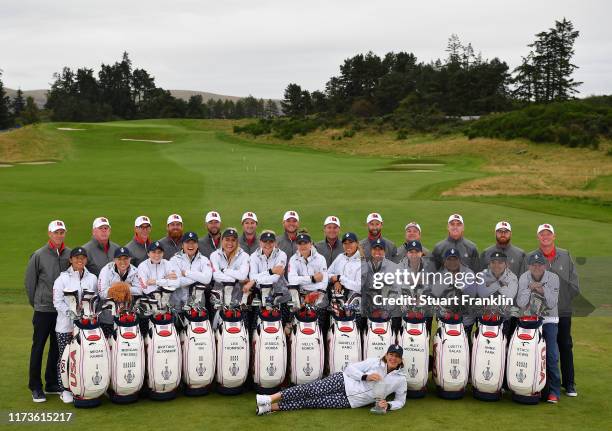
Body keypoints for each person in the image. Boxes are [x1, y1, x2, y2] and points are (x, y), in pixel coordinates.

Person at [255, 344, 407, 414]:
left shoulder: (400, 379)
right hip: (343, 381)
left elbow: (400, 401)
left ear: (401, 360)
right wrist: (365, 376)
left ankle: (269, 408)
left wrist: (388, 404)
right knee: (309, 390)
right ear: (386, 355)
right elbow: (349, 368)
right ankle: (269, 398)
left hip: (351, 402)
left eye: (397, 357)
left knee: (311, 402)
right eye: (391, 355)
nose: (393, 358)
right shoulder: (374, 362)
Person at [525, 223, 580, 397]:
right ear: (538, 237)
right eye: (542, 234)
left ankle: (569, 384)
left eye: (548, 234)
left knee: (564, 345)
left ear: (554, 236)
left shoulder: (565, 255)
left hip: (562, 311)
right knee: (540, 348)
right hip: (539, 313)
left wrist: (558, 302)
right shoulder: (531, 257)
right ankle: (540, 383)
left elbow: (574, 285)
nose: (545, 236)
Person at [25, 220, 71, 402]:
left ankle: (51, 382)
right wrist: (36, 303)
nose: (59, 235)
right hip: (43, 309)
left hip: (62, 310)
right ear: (49, 234)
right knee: (38, 347)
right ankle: (35, 386)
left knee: (56, 347)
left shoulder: (69, 254)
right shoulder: (38, 255)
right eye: (56, 232)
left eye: (62, 232)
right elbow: (30, 283)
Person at [52, 247, 97, 404]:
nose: (80, 260)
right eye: (76, 257)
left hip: (85, 326)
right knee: (65, 358)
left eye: (83, 258)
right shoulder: (62, 279)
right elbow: (57, 302)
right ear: (70, 260)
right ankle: (65, 389)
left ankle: (81, 385)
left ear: (86, 260)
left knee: (83, 357)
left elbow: (95, 299)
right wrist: (72, 313)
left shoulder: (92, 278)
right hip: (65, 326)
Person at [516, 252, 561, 403]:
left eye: (540, 264)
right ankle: (526, 384)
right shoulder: (524, 277)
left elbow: (552, 303)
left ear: (545, 265)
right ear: (529, 266)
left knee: (551, 355)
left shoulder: (553, 278)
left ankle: (554, 391)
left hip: (549, 319)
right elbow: (521, 303)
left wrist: (541, 289)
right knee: (526, 353)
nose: (536, 267)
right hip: (529, 319)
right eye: (533, 265)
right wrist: (530, 288)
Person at [243, 231, 289, 329]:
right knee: (256, 325)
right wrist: (272, 271)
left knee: (281, 326)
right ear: (260, 243)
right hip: (260, 294)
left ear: (275, 243)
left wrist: (255, 280)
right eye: (265, 241)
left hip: (281, 295)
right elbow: (252, 277)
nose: (268, 244)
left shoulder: (282, 255)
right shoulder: (254, 256)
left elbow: (275, 278)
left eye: (271, 242)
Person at [287, 232, 329, 332]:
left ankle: (320, 336)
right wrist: (312, 279)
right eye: (300, 244)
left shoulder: (320, 259)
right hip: (300, 292)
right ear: (297, 245)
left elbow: (324, 282)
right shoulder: (293, 259)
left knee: (317, 316)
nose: (303, 246)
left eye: (305, 243)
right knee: (295, 312)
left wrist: (312, 294)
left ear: (311, 244)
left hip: (318, 292)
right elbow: (292, 280)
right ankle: (293, 332)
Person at [430, 248, 479, 332]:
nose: (452, 262)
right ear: (445, 262)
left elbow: (471, 296)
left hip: (465, 321)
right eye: (449, 259)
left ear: (459, 261)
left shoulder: (469, 274)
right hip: (445, 318)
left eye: (455, 259)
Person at [97, 247, 142, 337]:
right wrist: (127, 286)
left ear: (130, 259)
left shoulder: (135, 271)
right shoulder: (106, 270)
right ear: (114, 260)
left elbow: (140, 290)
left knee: (128, 343)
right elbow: (102, 293)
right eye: (119, 259)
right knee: (109, 345)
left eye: (126, 258)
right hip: (109, 317)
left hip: (129, 315)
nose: (123, 261)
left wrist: (117, 287)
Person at [395, 240, 434, 333]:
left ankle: (426, 340)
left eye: (416, 252)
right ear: (406, 254)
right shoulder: (399, 266)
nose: (414, 254)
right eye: (411, 252)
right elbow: (397, 287)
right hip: (404, 305)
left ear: (421, 253)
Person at [477, 251, 518, 339]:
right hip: (485, 315)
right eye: (493, 262)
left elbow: (509, 296)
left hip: (504, 317)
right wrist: (500, 284)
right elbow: (482, 294)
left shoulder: (512, 277)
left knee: (503, 341)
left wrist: (490, 285)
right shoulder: (482, 275)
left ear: (506, 264)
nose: (496, 265)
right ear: (489, 264)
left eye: (500, 262)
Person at [169, 231, 213, 309]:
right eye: (187, 242)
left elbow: (207, 279)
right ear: (182, 245)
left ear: (197, 245)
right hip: (177, 305)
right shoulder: (174, 259)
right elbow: (175, 282)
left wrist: (187, 273)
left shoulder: (204, 260)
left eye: (193, 242)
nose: (191, 245)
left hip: (198, 304)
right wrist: (199, 278)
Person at [209, 228, 250, 307]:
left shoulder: (245, 256)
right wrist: (236, 279)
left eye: (233, 240)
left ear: (237, 242)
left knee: (235, 318)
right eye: (227, 239)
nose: (230, 243)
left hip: (237, 296)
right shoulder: (214, 255)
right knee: (217, 318)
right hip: (218, 296)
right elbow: (216, 276)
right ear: (222, 240)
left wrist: (224, 270)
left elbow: (242, 276)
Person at [328, 232, 363, 304]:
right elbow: (327, 274)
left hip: (354, 301)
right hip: (336, 298)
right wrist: (336, 281)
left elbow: (358, 287)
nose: (348, 246)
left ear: (356, 243)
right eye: (345, 243)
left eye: (350, 242)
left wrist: (340, 278)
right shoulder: (340, 257)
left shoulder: (362, 263)